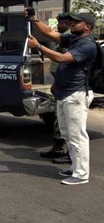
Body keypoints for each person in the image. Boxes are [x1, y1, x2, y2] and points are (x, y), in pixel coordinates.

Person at [27, 12, 98, 185]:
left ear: (87, 26)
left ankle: (81, 174)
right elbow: (51, 34)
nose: (72, 24)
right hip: (65, 93)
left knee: (77, 135)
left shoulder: (88, 45)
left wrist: (38, 47)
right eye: (72, 21)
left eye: (77, 22)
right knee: (67, 133)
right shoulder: (74, 40)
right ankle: (75, 167)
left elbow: (62, 58)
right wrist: (33, 19)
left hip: (76, 94)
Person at [39, 13, 73, 163]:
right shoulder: (66, 37)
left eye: (60, 23)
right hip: (60, 82)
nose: (57, 26)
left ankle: (64, 151)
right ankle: (60, 148)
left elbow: (64, 62)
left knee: (64, 122)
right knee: (60, 119)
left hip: (65, 84)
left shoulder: (70, 40)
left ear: (67, 24)